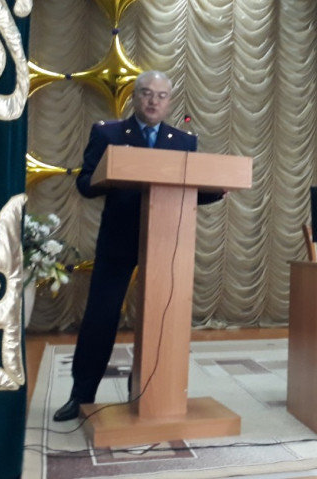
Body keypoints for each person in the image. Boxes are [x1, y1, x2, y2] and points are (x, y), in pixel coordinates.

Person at [54, 71, 222, 421]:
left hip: (165, 241)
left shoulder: (183, 141)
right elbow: (85, 184)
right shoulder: (108, 133)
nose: (153, 101)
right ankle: (81, 395)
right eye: (146, 93)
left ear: (169, 101)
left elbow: (190, 188)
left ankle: (148, 391)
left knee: (161, 316)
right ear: (135, 96)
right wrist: (113, 173)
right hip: (118, 239)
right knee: (101, 317)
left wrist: (217, 188)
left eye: (161, 95)